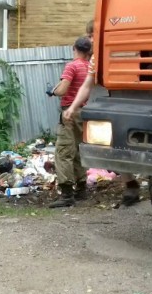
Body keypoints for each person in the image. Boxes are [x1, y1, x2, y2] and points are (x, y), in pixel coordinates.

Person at [63, 21, 141, 206]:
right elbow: (87, 85)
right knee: (112, 147)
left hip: (130, 103)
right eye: (89, 36)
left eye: (92, 36)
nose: (90, 40)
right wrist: (73, 107)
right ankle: (131, 184)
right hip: (110, 105)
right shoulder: (95, 59)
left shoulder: (125, 50)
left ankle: (136, 183)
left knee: (128, 145)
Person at [47, 35, 93, 208]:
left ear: (74, 48)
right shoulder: (89, 67)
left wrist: (52, 91)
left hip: (70, 112)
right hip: (84, 112)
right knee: (80, 150)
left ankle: (67, 194)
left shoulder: (72, 66)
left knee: (64, 151)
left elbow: (63, 89)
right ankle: (81, 190)